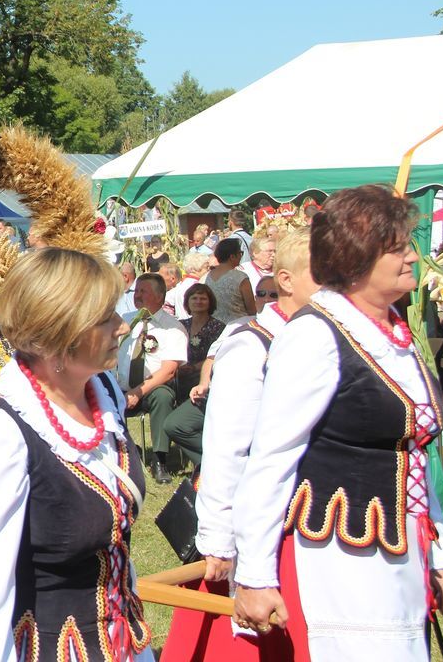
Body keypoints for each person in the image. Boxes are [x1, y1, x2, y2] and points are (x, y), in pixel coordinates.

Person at [232, 185, 443, 659]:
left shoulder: (392, 331)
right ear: (357, 258)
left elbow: (415, 453)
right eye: (398, 248)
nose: (413, 257)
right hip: (344, 557)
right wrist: (253, 574)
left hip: (403, 552)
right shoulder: (315, 335)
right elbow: (271, 458)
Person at [0, 248, 150, 659]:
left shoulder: (103, 393)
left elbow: (113, 547)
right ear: (61, 335)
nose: (122, 327)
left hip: (117, 640)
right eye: (105, 318)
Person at [159, 228, 318, 662]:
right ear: (286, 280)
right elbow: (227, 447)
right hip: (253, 527)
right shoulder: (252, 345)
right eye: (326, 275)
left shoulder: (317, 341)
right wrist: (219, 539)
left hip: (299, 524)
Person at [115, 273, 187, 485]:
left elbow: (168, 371)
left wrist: (137, 392)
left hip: (154, 387)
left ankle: (160, 459)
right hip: (122, 386)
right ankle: (122, 450)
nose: (137, 295)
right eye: (136, 291)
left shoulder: (172, 327)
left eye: (143, 291)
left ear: (159, 297)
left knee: (163, 397)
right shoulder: (124, 321)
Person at [161, 284, 225, 467]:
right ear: (187, 302)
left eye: (203, 298)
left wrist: (195, 367)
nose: (198, 301)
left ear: (210, 302)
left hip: (204, 378)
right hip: (180, 374)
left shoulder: (218, 326)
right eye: (194, 298)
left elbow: (215, 356)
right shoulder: (181, 325)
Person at [203, 238, 255, 323]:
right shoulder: (241, 277)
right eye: (240, 253)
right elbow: (251, 309)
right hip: (238, 326)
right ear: (232, 256)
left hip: (215, 325)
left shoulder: (209, 275)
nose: (241, 256)